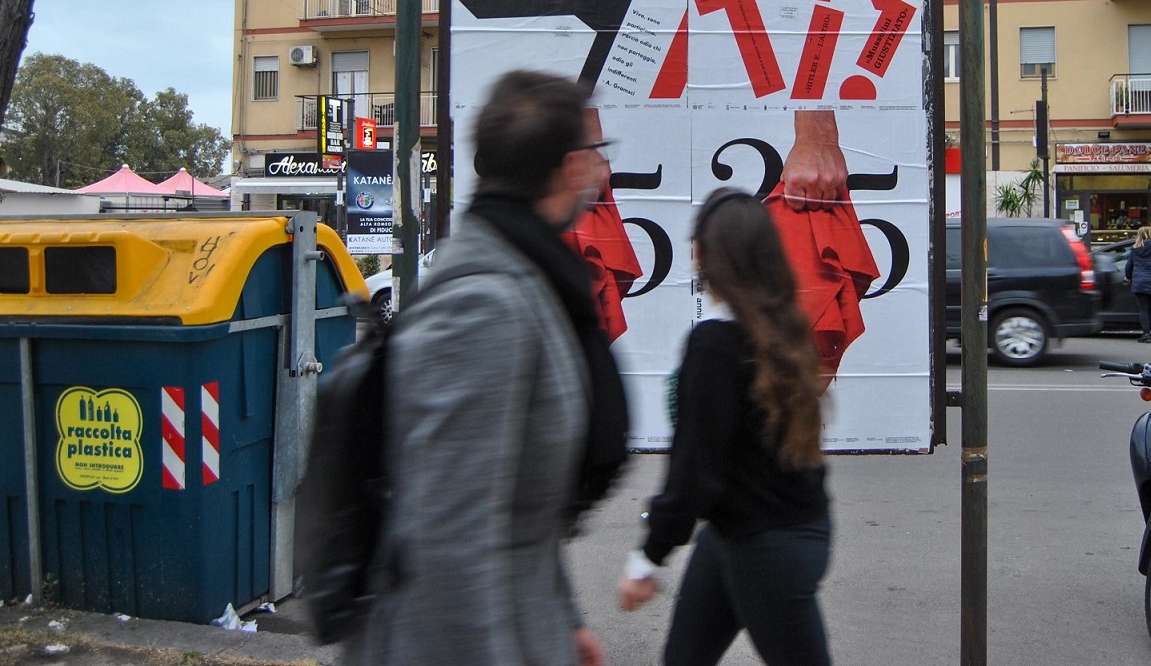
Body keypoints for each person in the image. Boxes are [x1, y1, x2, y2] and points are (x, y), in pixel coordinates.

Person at [350, 69, 628, 666]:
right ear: (571, 167)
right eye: (596, 153)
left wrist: (561, 618)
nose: (603, 171)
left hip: (521, 625)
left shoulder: (529, 274)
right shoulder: (485, 304)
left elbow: (521, 506)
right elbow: (450, 540)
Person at [617, 188, 833, 666]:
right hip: (767, 529)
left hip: (767, 545)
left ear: (705, 255)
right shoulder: (782, 329)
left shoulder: (715, 344)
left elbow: (695, 467)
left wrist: (648, 556)